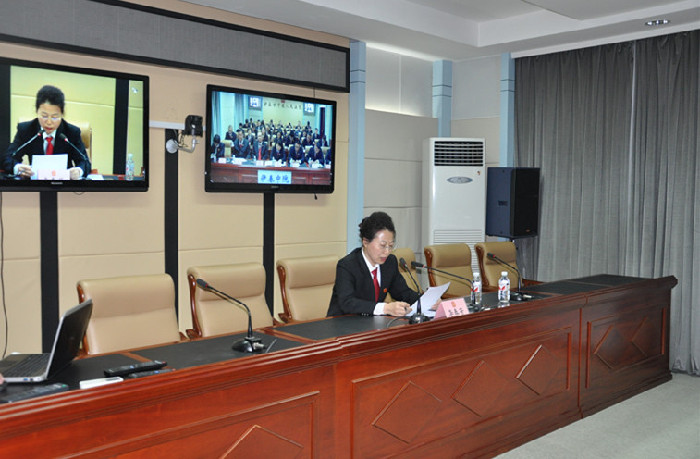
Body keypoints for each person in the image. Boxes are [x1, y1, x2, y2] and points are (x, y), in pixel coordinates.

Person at [327, 212, 420, 317]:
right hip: (343, 323)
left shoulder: (389, 262)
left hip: (372, 323)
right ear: (365, 242)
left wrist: (428, 301)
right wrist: (385, 308)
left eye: (391, 246)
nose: (387, 251)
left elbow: (404, 293)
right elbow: (347, 303)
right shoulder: (347, 265)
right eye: (382, 245)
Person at [4, 85, 90, 179]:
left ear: (62, 114)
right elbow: (8, 158)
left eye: (55, 117)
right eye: (44, 116)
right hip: (36, 183)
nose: (49, 122)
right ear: (37, 111)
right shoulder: (26, 130)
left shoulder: (71, 132)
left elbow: (85, 162)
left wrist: (79, 171)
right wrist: (18, 168)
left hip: (63, 184)